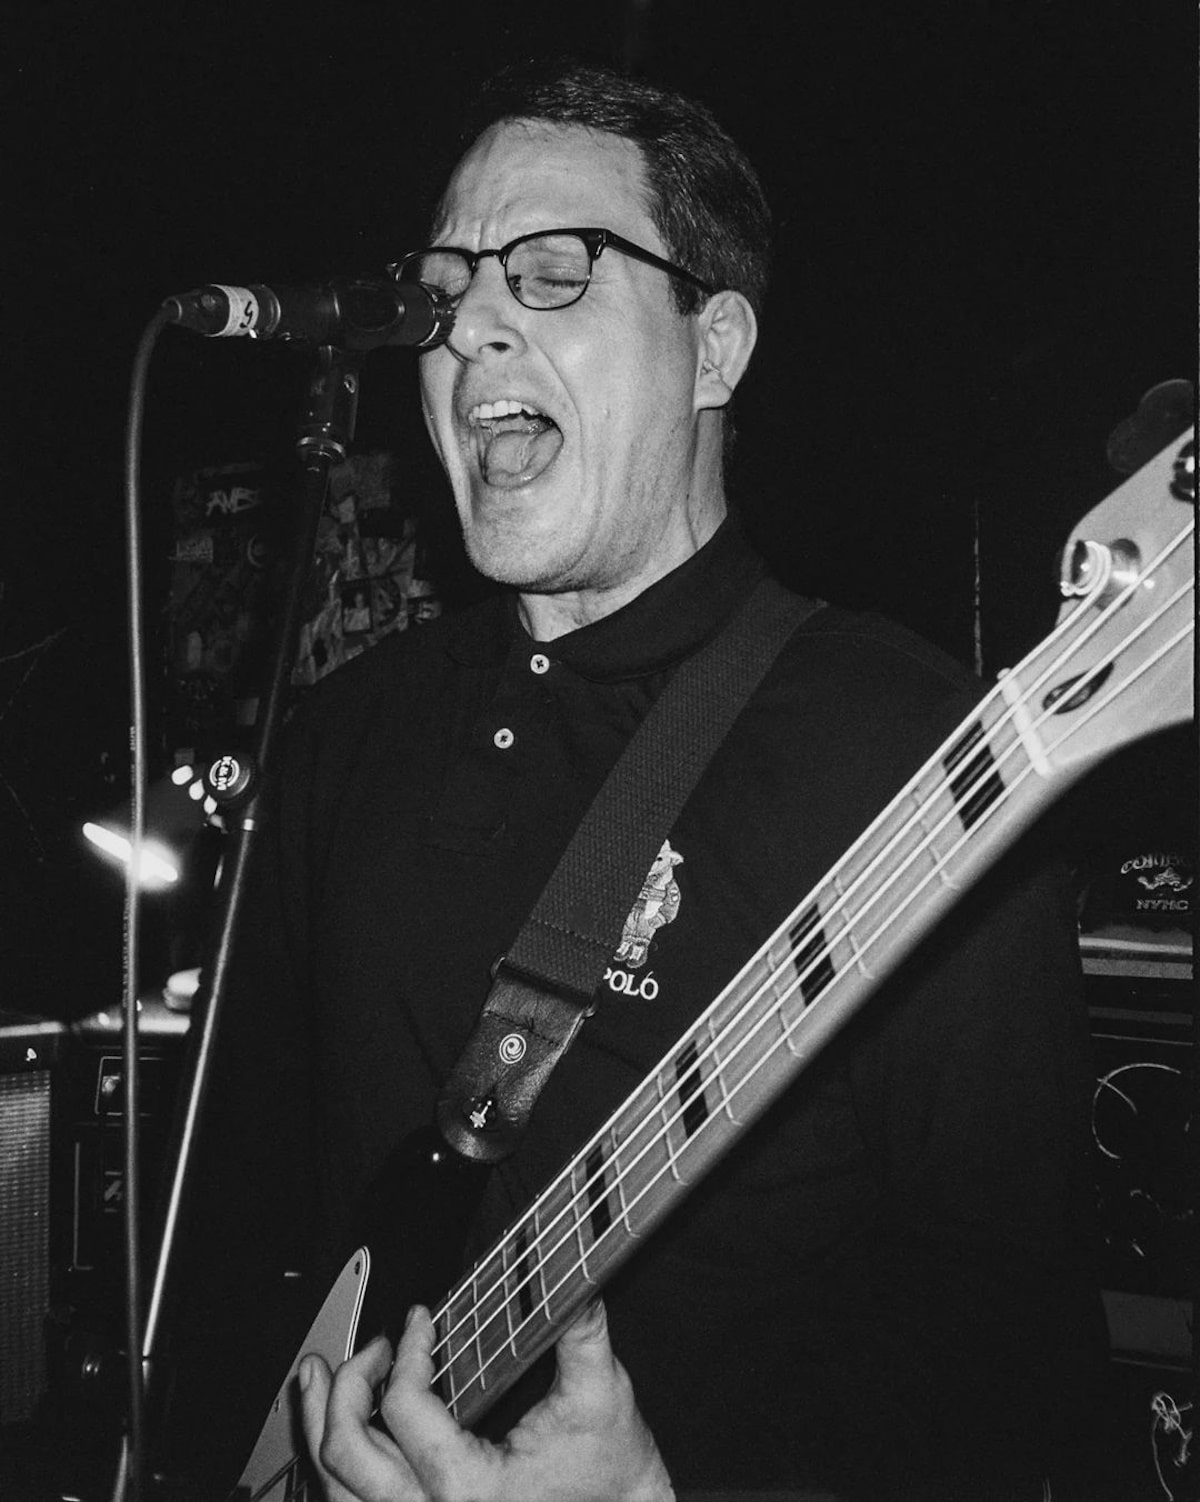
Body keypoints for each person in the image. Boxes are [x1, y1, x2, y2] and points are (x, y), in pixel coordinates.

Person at [167, 61, 1108, 1502]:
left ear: (713, 346)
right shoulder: (346, 735)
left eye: (554, 271)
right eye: (447, 286)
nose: (472, 325)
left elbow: (1016, 1358)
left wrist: (675, 1488)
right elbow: (235, 1221)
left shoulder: (908, 749)